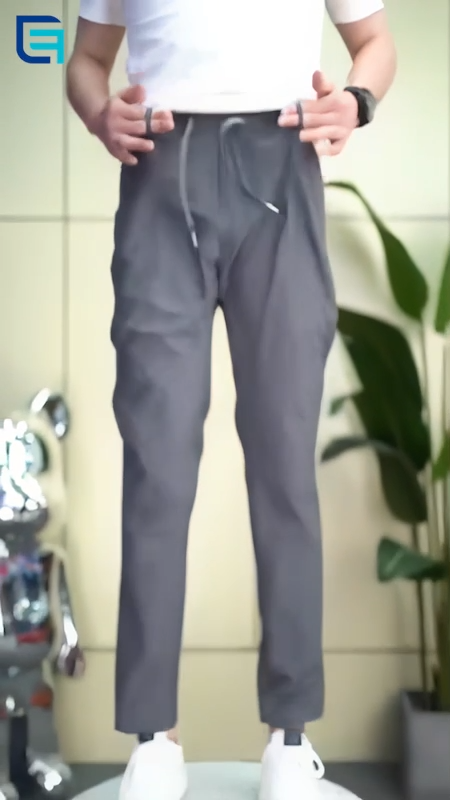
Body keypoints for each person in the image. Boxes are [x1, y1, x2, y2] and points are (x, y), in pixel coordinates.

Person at [66, 2, 396, 798]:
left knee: (284, 467)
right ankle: (154, 739)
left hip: (283, 163)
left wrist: (356, 102)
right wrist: (99, 113)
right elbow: (86, 62)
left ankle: (291, 737)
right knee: (158, 469)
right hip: (160, 167)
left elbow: (374, 42)